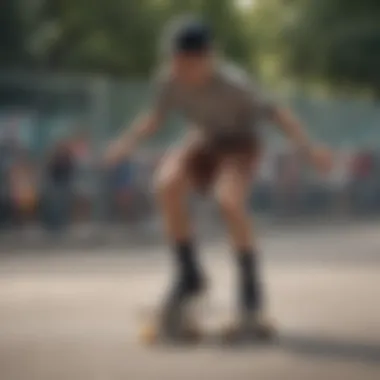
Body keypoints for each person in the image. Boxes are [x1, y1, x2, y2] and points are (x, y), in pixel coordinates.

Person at [106, 17, 332, 342]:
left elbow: (279, 113)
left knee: (229, 200)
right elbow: (155, 118)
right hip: (205, 140)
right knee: (166, 183)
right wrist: (125, 143)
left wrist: (309, 150)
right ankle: (189, 275)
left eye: (188, 63)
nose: (181, 70)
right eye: (175, 62)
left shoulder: (235, 85)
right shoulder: (170, 80)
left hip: (241, 145)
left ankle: (250, 295)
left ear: (208, 57)